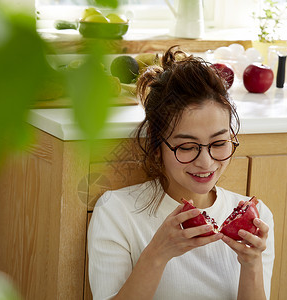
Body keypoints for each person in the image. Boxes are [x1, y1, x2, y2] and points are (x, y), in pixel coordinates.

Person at [87, 46, 274, 300]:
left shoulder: (258, 218)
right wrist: (157, 253)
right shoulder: (116, 212)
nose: (206, 162)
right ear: (156, 145)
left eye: (219, 144)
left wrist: (251, 265)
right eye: (187, 147)